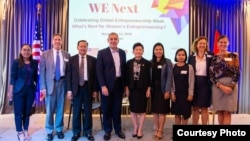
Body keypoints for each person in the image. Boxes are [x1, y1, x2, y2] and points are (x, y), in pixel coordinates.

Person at [96, 32, 126, 141]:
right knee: (107, 109)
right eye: (111, 39)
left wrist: (125, 85)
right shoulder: (102, 53)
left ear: (118, 40)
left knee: (117, 109)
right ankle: (107, 131)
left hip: (119, 84)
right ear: (108, 40)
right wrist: (103, 85)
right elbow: (99, 71)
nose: (113, 40)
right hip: (106, 86)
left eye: (115, 39)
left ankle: (118, 130)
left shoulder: (122, 53)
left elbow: (124, 70)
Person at [40, 33, 70, 141]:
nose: (57, 41)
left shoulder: (67, 54)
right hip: (49, 85)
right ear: (52, 41)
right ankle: (49, 130)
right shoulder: (45, 54)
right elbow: (42, 72)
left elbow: (68, 72)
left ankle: (59, 129)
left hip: (62, 84)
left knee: (61, 109)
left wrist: (69, 88)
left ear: (62, 41)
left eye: (59, 39)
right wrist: (42, 87)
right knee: (50, 109)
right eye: (55, 39)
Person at [66, 40, 98, 141]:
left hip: (88, 88)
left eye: (85, 46)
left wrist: (95, 90)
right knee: (76, 111)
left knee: (88, 112)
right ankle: (76, 132)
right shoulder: (72, 59)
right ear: (77, 47)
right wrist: (69, 90)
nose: (83, 48)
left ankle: (88, 132)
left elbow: (95, 76)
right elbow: (69, 76)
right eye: (81, 46)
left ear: (87, 48)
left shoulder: (93, 59)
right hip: (76, 88)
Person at [7, 44, 38, 141]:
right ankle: (19, 132)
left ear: (31, 51)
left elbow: (35, 78)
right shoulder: (16, 62)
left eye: (28, 50)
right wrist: (10, 91)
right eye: (24, 50)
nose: (26, 52)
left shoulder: (34, 62)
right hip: (18, 90)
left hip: (30, 91)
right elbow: (13, 77)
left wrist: (36, 91)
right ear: (21, 51)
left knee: (27, 112)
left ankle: (25, 130)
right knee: (18, 113)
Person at [209, 35, 240, 125]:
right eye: (221, 42)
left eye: (225, 42)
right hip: (218, 87)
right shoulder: (213, 58)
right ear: (217, 44)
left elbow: (237, 73)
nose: (223, 44)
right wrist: (222, 87)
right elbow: (211, 75)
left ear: (228, 43)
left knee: (227, 112)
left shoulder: (234, 56)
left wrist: (230, 87)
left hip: (231, 87)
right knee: (220, 112)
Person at [124, 42, 151, 140]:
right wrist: (126, 88)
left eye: (140, 49)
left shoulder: (147, 63)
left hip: (143, 90)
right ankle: (135, 127)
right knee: (133, 110)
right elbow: (126, 77)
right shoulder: (129, 62)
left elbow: (149, 78)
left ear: (143, 51)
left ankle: (140, 129)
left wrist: (148, 89)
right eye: (136, 49)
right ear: (133, 51)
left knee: (142, 110)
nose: (138, 51)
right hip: (132, 89)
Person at [188, 37, 213, 125]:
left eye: (204, 43)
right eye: (200, 43)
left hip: (206, 84)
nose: (202, 45)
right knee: (195, 108)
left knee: (204, 108)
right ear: (196, 45)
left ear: (206, 45)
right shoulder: (191, 57)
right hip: (195, 84)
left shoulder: (210, 56)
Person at [150, 43, 173, 140]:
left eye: (160, 49)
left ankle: (160, 130)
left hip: (163, 89)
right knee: (155, 111)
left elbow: (169, 77)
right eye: (156, 49)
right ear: (154, 51)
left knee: (162, 111)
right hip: (154, 89)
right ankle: (157, 128)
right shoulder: (150, 62)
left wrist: (167, 90)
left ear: (163, 51)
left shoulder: (167, 62)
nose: (158, 51)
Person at [171, 48, 194, 125]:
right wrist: (172, 93)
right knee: (177, 114)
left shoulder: (189, 67)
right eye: (179, 55)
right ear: (176, 56)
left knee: (185, 115)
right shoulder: (173, 67)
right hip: (176, 94)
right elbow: (171, 81)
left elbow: (192, 82)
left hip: (186, 95)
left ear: (185, 56)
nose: (181, 56)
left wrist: (190, 94)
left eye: (183, 55)